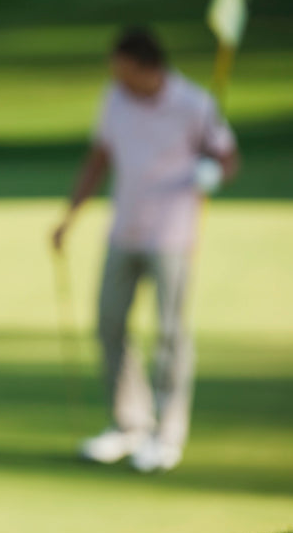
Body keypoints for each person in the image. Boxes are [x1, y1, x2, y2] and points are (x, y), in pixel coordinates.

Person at [52, 27, 239, 472]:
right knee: (110, 323)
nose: (115, 78)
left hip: (173, 235)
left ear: (146, 66)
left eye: (122, 70)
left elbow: (227, 157)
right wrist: (70, 216)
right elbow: (99, 157)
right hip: (125, 230)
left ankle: (166, 436)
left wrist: (211, 174)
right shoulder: (115, 98)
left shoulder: (194, 103)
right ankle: (128, 424)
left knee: (171, 334)